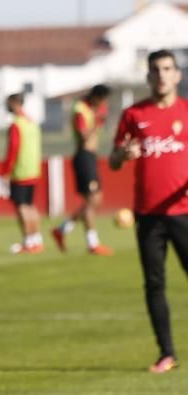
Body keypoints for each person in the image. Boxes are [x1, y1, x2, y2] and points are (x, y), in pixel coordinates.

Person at [110, 49, 188, 374]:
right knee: (154, 284)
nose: (161, 75)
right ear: (148, 76)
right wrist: (123, 155)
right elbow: (114, 161)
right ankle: (166, 352)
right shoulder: (133, 115)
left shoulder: (187, 112)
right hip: (148, 215)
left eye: (167, 69)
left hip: (184, 212)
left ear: (177, 75)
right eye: (155, 69)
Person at [53, 84, 114, 256]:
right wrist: (98, 121)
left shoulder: (97, 108)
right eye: (102, 99)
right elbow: (84, 135)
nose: (104, 103)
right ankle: (92, 243)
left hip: (91, 156)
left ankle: (62, 229)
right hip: (83, 156)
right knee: (91, 200)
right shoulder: (80, 110)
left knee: (96, 200)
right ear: (95, 97)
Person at [2, 93, 44, 254]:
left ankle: (28, 242)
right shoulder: (32, 122)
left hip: (20, 171)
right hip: (33, 169)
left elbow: (13, 149)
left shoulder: (16, 125)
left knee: (21, 207)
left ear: (14, 103)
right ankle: (36, 240)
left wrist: (6, 171)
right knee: (30, 206)